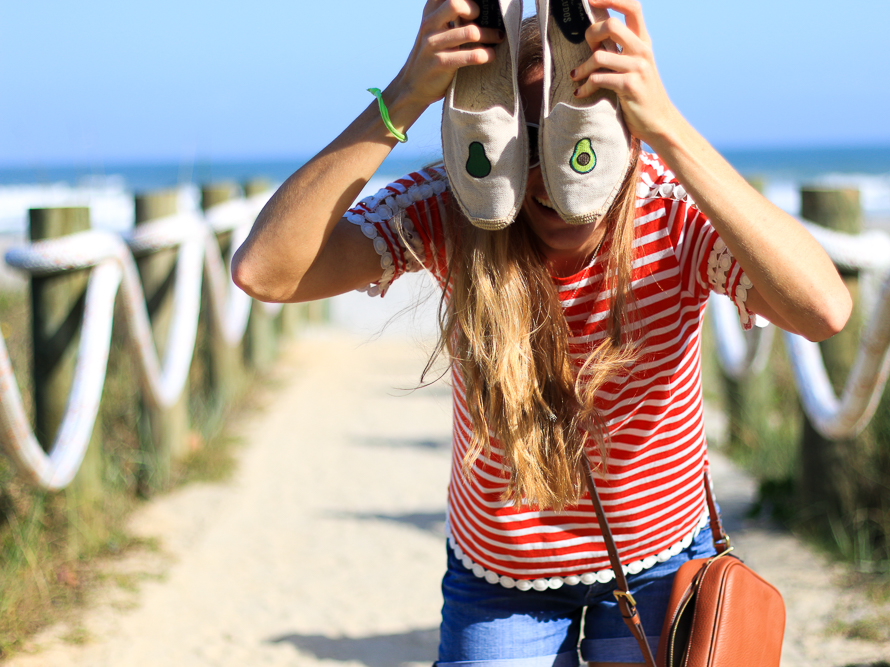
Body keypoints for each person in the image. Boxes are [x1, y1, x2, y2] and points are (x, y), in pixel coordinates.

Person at [232, 1, 851, 665]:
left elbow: (823, 309)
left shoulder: (672, 215)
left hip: (659, 555)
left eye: (573, 141)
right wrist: (408, 94)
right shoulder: (455, 210)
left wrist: (665, 123)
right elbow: (266, 270)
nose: (552, 183)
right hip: (503, 574)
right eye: (522, 146)